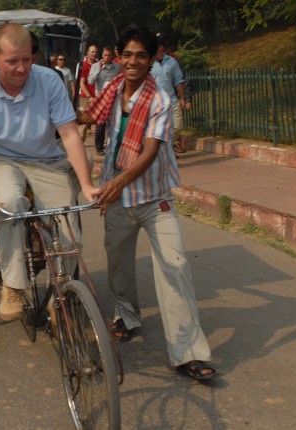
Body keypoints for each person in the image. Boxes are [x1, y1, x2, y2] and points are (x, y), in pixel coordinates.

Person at [77, 24, 217, 381]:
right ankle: (127, 315)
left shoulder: (161, 100)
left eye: (141, 55)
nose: (133, 61)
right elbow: (87, 116)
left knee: (176, 268)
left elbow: (151, 151)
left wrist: (115, 183)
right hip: (119, 201)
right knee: (119, 267)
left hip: (155, 201)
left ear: (153, 57)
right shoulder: (111, 89)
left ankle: (188, 353)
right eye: (127, 54)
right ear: (119, 56)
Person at [0, 23, 98, 321]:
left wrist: (86, 184)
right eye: (12, 61)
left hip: (48, 161)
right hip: (3, 160)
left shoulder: (49, 81)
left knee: (68, 228)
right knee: (8, 204)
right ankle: (13, 285)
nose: (22, 68)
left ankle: (62, 291)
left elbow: (70, 134)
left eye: (26, 59)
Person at [151, 34, 186, 155]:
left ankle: (167, 145)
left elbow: (178, 80)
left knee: (178, 126)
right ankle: (164, 149)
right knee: (159, 129)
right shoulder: (149, 62)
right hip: (155, 103)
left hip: (171, 99)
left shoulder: (171, 62)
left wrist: (182, 98)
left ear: (161, 47)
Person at [88, 46, 122, 156]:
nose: (107, 57)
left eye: (109, 55)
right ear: (102, 55)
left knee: (113, 124)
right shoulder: (95, 66)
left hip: (113, 99)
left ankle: (112, 146)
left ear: (112, 56)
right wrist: (99, 68)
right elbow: (90, 81)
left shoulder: (117, 68)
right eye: (105, 55)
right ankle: (99, 148)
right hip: (101, 99)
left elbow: (122, 80)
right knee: (100, 124)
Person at [78, 44, 98, 141]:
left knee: (100, 121)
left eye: (96, 52)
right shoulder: (84, 65)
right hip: (86, 97)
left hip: (97, 97)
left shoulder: (99, 65)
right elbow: (82, 84)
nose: (94, 54)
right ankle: (79, 145)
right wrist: (89, 96)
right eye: (92, 52)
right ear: (88, 53)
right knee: (83, 123)